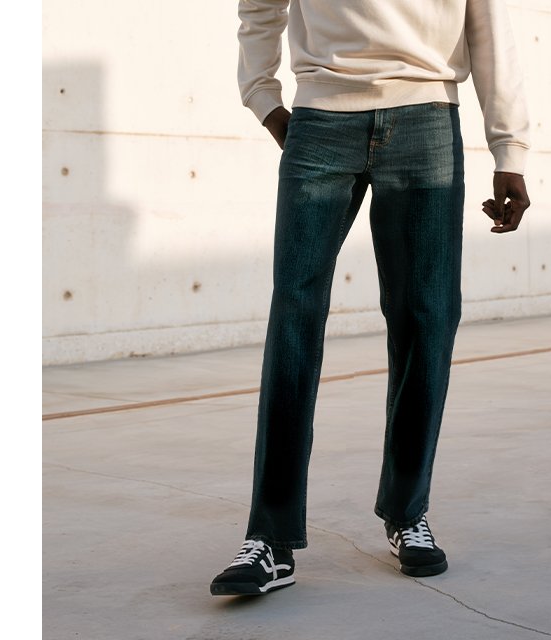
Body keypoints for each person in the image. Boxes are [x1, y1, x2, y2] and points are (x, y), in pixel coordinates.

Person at [211, 0, 531, 596]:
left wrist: (508, 148)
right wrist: (263, 97)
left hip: (427, 119)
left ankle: (408, 513)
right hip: (321, 120)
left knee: (427, 318)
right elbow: (258, 8)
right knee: (293, 318)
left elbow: (489, 27)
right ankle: (271, 539)